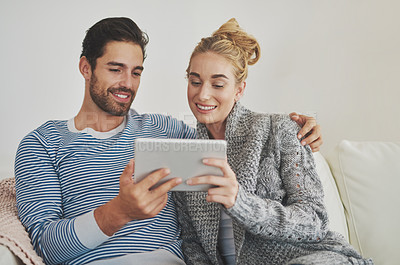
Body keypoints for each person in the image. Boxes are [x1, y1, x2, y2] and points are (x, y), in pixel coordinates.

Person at [14, 17, 322, 265]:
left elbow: (229, 143)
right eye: (115, 69)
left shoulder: (165, 130)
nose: (127, 84)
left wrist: (296, 133)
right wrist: (119, 211)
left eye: (136, 72)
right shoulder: (43, 144)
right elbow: (46, 247)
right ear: (86, 68)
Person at [173, 18, 374, 265]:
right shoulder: (186, 155)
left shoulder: (282, 130)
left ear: (239, 90)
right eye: (195, 81)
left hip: (313, 258)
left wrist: (241, 202)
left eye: (218, 84)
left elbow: (315, 220)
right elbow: (193, 244)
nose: (203, 94)